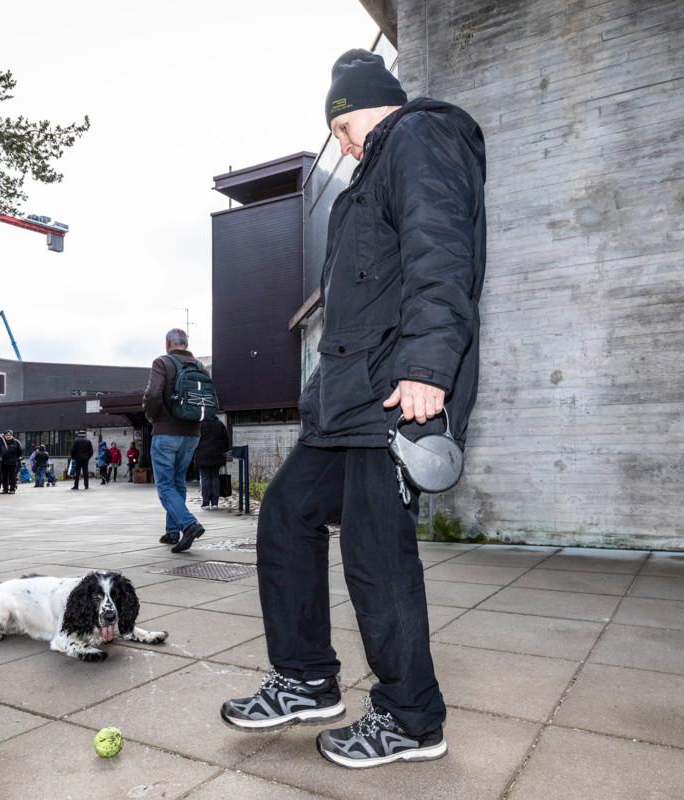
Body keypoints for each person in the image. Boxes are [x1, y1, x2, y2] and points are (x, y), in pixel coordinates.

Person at [220, 50, 485, 769]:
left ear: (368, 105)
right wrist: (315, 401)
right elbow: (347, 311)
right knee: (285, 517)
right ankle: (306, 678)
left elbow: (442, 257)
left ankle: (410, 719)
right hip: (344, 404)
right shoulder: (364, 185)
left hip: (394, 393)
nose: (339, 141)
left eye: (341, 125)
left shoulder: (420, 138)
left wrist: (429, 367)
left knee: (376, 556)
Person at [142, 328, 204, 552]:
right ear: (185, 344)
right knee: (178, 482)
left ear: (168, 344)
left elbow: (152, 395)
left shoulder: (162, 362)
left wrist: (152, 416)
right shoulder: (199, 366)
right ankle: (172, 532)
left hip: (166, 432)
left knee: (165, 485)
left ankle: (188, 524)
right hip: (192, 434)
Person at [194, 416, 231, 510]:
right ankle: (215, 503)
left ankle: (206, 502)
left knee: (205, 477)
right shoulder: (219, 424)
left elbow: (194, 440)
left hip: (202, 455)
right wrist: (225, 451)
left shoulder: (199, 425)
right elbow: (226, 440)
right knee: (215, 477)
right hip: (217, 455)